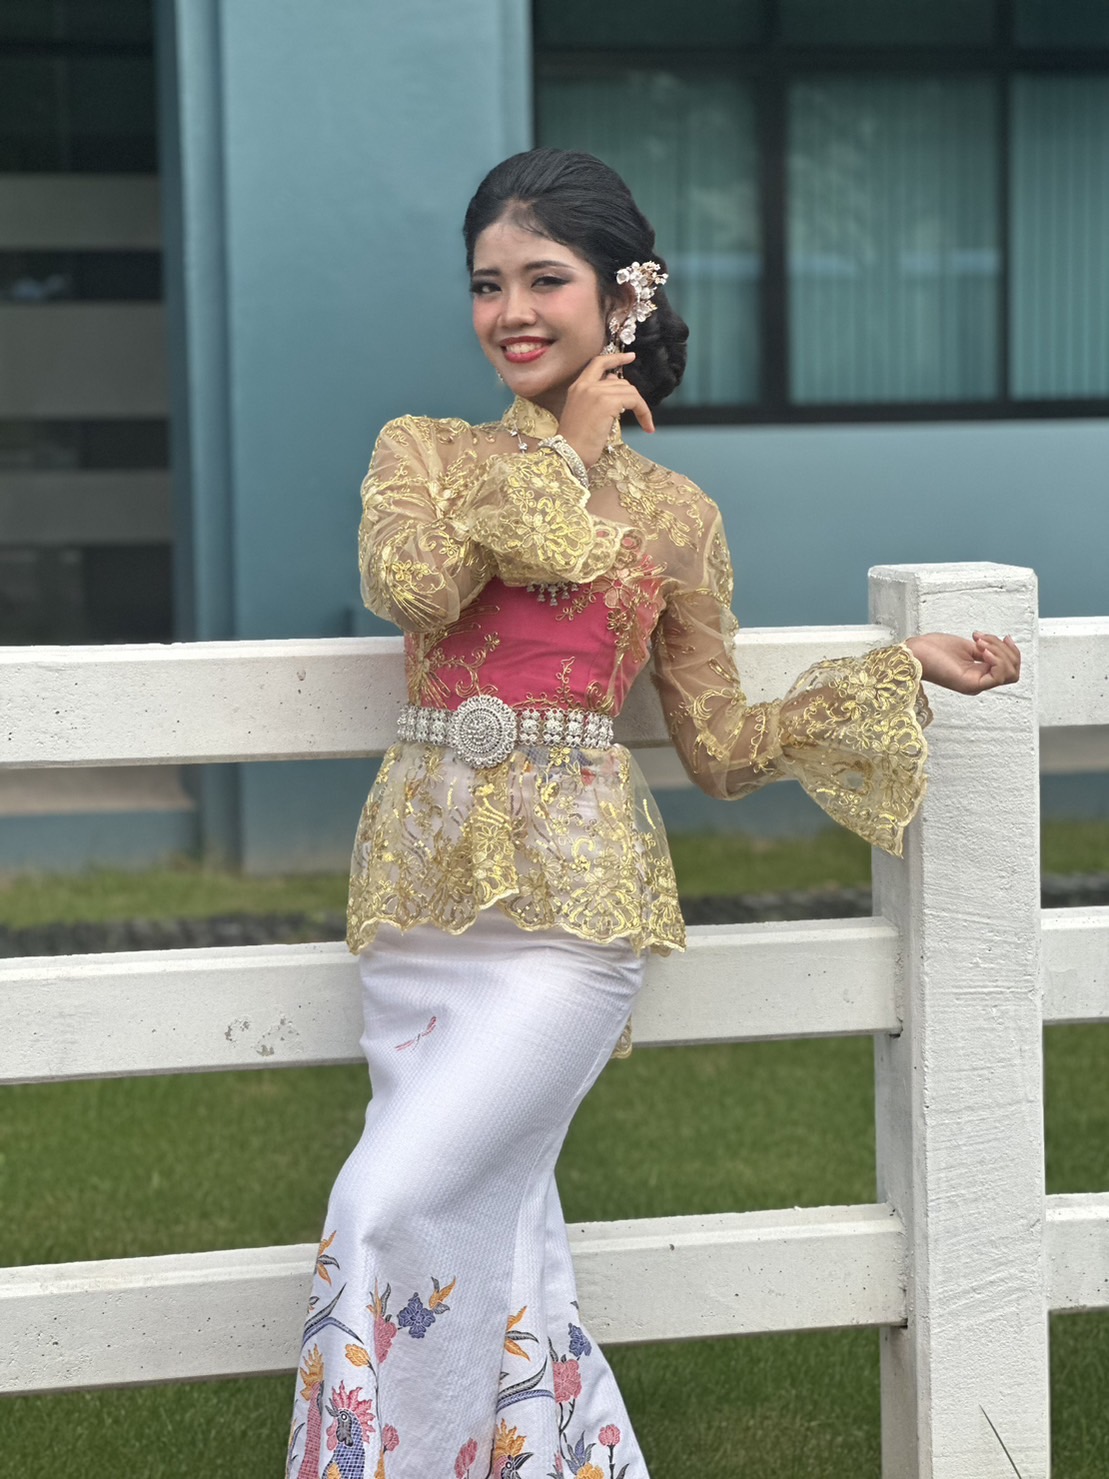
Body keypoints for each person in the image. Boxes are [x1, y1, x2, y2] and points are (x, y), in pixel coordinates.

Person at [284, 147, 1020, 1479]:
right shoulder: (424, 454)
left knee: (384, 1203)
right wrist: (563, 457)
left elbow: (723, 747)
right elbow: (417, 592)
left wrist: (896, 672)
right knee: (500, 1235)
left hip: (573, 927)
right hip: (419, 914)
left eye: (544, 280)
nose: (511, 311)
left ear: (620, 298)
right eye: (487, 284)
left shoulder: (678, 517)